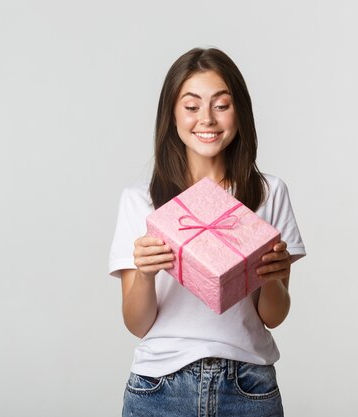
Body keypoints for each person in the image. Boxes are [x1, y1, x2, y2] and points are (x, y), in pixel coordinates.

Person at [109, 47, 306, 417]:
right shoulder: (140, 200)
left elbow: (273, 316)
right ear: (172, 114)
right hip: (159, 385)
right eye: (191, 105)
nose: (207, 119)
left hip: (248, 385)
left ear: (239, 112)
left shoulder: (268, 193)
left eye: (221, 104)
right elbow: (137, 323)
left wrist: (272, 278)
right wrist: (147, 276)